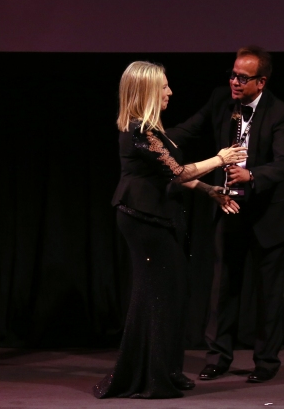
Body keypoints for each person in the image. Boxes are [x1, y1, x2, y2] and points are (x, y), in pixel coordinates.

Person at [93, 61, 247, 399]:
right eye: (163, 86)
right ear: (147, 90)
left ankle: (164, 371)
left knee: (168, 294)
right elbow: (178, 172)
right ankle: (152, 378)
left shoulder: (151, 129)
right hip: (143, 220)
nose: (170, 92)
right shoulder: (139, 130)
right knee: (158, 296)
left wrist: (211, 192)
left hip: (154, 217)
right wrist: (220, 158)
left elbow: (174, 176)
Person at [167, 46, 284, 383]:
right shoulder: (219, 100)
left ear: (261, 82)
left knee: (268, 293)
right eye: (233, 74)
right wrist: (154, 139)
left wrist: (251, 175)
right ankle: (218, 357)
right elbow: (188, 128)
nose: (235, 82)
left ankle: (266, 363)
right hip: (229, 207)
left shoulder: (280, 113)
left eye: (243, 77)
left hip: (268, 214)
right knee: (223, 286)